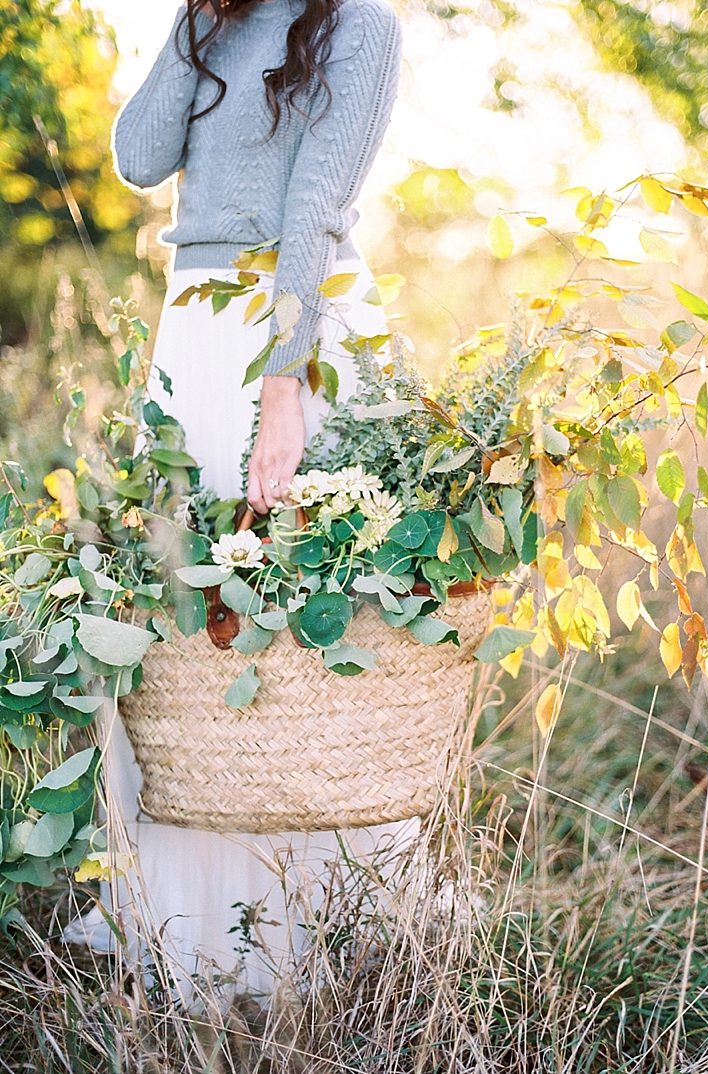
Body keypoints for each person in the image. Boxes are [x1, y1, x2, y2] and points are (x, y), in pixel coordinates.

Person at [64, 0, 408, 1005]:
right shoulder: (211, 21)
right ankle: (174, 911)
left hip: (290, 325)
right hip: (195, 326)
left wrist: (283, 385)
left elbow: (314, 207)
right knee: (177, 616)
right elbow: (137, 155)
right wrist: (191, 21)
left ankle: (305, 925)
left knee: (293, 625)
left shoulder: (360, 25)